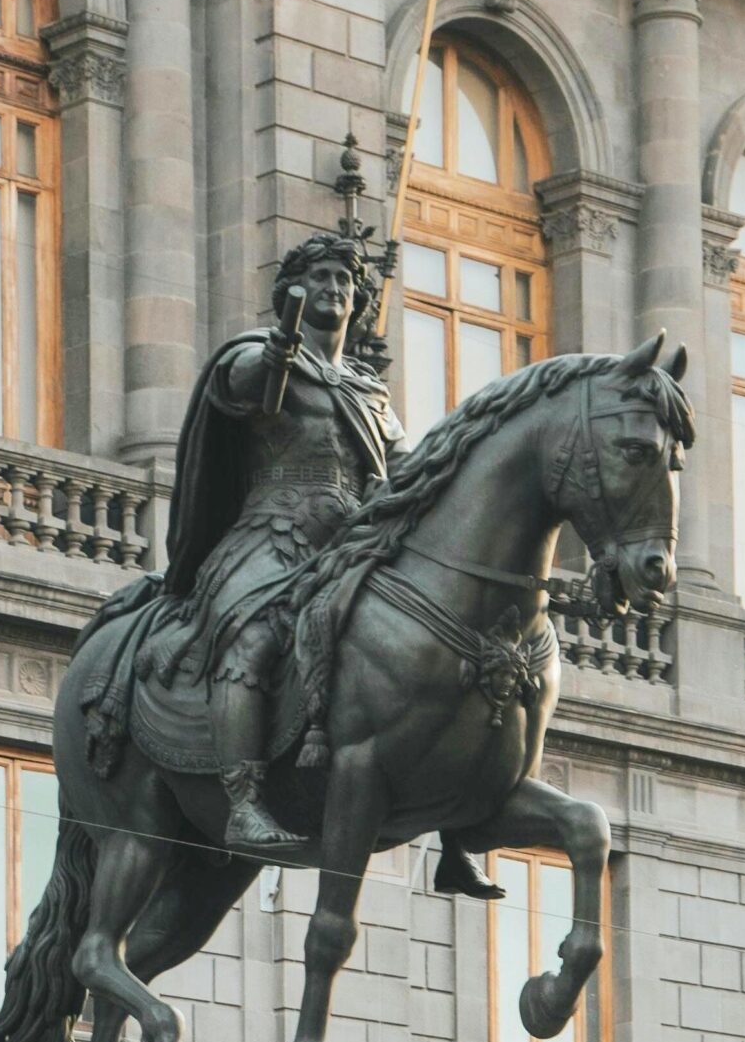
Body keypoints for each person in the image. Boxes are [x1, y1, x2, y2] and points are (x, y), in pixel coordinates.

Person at [153, 230, 501, 897]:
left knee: (436, 649)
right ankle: (245, 800)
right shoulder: (259, 354)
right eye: (322, 279)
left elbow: (402, 471)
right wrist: (282, 343)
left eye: (346, 281)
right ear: (295, 289)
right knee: (252, 640)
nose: (335, 290)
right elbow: (246, 390)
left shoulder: (369, 393)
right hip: (270, 532)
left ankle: (461, 823)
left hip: (350, 541)